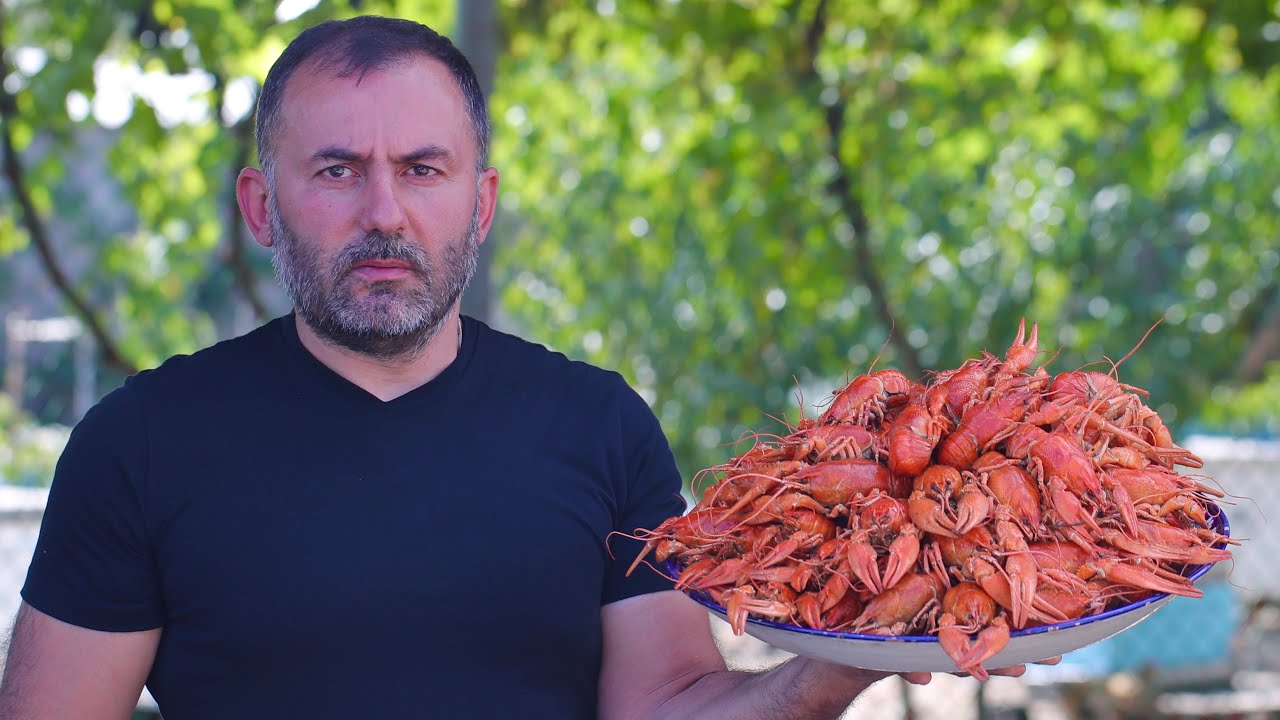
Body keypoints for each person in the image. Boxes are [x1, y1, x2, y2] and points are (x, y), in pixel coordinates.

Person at [0, 15, 1040, 719]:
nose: (383, 213)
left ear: (481, 204)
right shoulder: (140, 445)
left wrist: (830, 671)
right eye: (334, 171)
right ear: (260, 205)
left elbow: (668, 706)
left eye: (422, 169)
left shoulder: (596, 428)